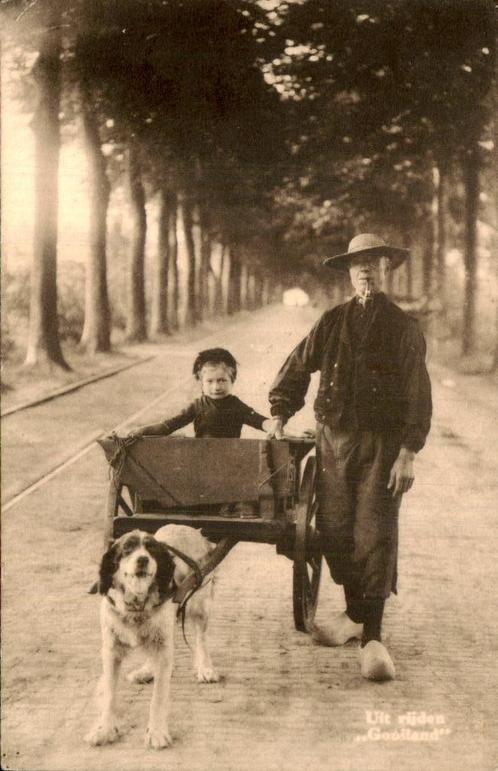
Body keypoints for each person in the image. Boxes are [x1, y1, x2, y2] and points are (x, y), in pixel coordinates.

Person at [266, 233, 432, 682]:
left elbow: (418, 392)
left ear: (387, 269)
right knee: (336, 531)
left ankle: (372, 635)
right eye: (357, 265)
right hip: (333, 442)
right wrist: (280, 412)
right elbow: (300, 363)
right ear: (348, 272)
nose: (365, 271)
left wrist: (408, 452)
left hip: (381, 445)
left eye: (373, 264)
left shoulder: (402, 327)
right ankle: (355, 612)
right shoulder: (333, 320)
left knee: (373, 532)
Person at [128, 347, 271, 517]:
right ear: (201, 382)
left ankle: (236, 504)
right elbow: (170, 425)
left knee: (245, 462)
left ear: (232, 380)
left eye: (222, 380)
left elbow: (260, 421)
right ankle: (185, 503)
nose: (216, 386)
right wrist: (143, 430)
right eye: (210, 381)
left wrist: (274, 425)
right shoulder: (197, 406)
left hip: (230, 458)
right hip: (201, 458)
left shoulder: (236, 406)